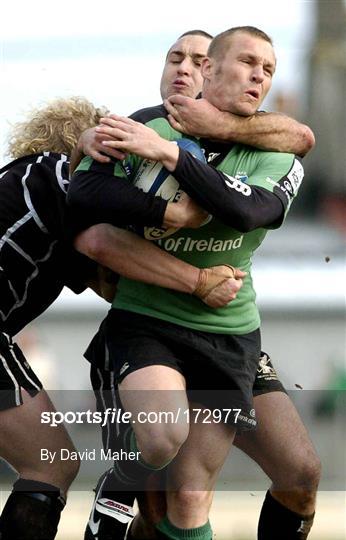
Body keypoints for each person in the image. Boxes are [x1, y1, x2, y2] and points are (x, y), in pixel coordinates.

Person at [68, 26, 319, 540]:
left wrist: (175, 159)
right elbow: (86, 198)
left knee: (291, 475)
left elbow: (251, 210)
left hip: (230, 334)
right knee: (166, 454)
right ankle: (118, 487)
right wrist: (165, 206)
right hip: (149, 322)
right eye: (248, 62)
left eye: (268, 69)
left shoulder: (277, 144)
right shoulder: (147, 126)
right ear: (210, 72)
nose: (259, 76)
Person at [0, 95, 243, 540]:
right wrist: (194, 267)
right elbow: (104, 242)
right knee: (50, 465)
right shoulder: (52, 174)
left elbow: (114, 284)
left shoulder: (45, 217)